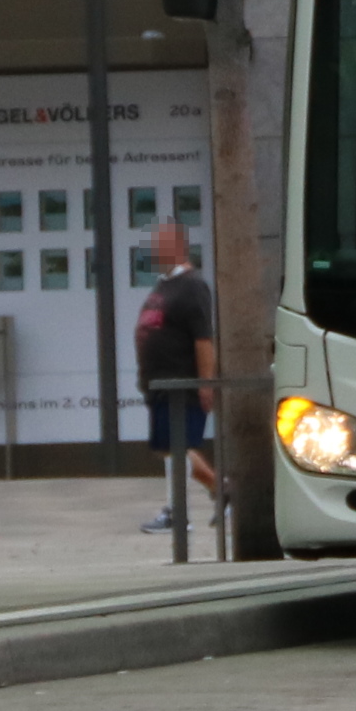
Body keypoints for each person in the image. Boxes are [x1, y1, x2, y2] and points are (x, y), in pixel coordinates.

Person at [135, 220, 218, 534]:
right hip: (160, 384)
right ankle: (221, 489)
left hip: (181, 382)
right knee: (170, 448)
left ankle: (177, 514)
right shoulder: (164, 284)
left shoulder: (193, 285)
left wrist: (205, 384)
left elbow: (203, 338)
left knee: (177, 447)